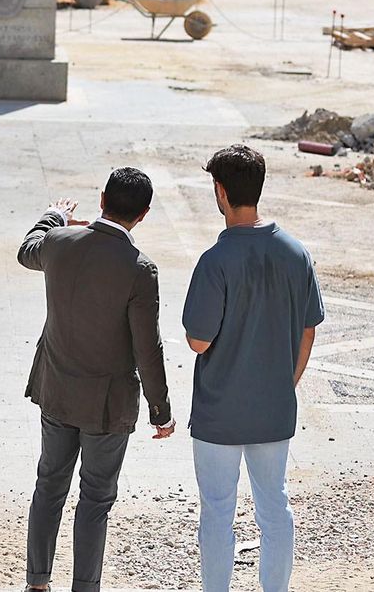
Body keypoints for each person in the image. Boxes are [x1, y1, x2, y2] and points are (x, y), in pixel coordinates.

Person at [17, 169, 173, 592]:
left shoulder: (58, 243)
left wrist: (54, 215)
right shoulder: (140, 269)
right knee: (96, 501)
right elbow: (148, 348)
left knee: (49, 485)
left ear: (101, 199)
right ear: (143, 214)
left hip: (56, 390)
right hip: (107, 406)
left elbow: (26, 248)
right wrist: (161, 411)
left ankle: (36, 582)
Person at [183, 145, 323, 592]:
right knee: (274, 508)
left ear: (220, 192)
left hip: (219, 414)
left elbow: (198, 340)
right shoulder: (295, 252)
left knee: (218, 512)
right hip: (273, 409)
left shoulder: (215, 261)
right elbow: (308, 330)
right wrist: (287, 383)